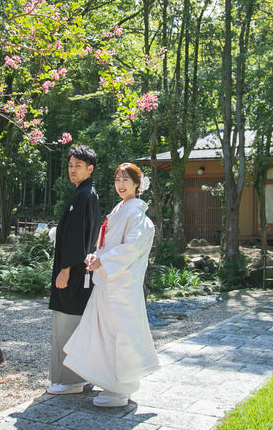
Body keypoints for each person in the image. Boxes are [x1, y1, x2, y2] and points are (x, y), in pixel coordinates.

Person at [63, 162, 160, 408]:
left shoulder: (136, 213)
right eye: (117, 179)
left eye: (126, 180)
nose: (120, 184)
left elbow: (131, 248)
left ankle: (122, 387)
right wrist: (96, 256)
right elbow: (108, 242)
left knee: (121, 334)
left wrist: (103, 259)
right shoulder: (120, 208)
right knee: (102, 333)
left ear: (137, 185)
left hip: (122, 286)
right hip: (109, 281)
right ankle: (109, 382)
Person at [46, 145, 101, 395]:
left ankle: (71, 381)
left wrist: (66, 269)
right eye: (70, 165)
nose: (72, 169)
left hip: (75, 273)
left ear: (90, 169)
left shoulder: (85, 195)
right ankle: (78, 377)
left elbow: (78, 238)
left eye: (78, 166)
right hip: (78, 271)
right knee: (72, 323)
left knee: (68, 324)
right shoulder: (83, 194)